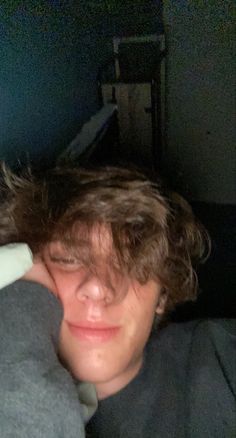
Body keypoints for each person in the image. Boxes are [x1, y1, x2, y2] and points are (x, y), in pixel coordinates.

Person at [0, 164, 235, 437]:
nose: (99, 287)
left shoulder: (221, 359)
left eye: (134, 262)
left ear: (163, 294)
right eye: (68, 258)